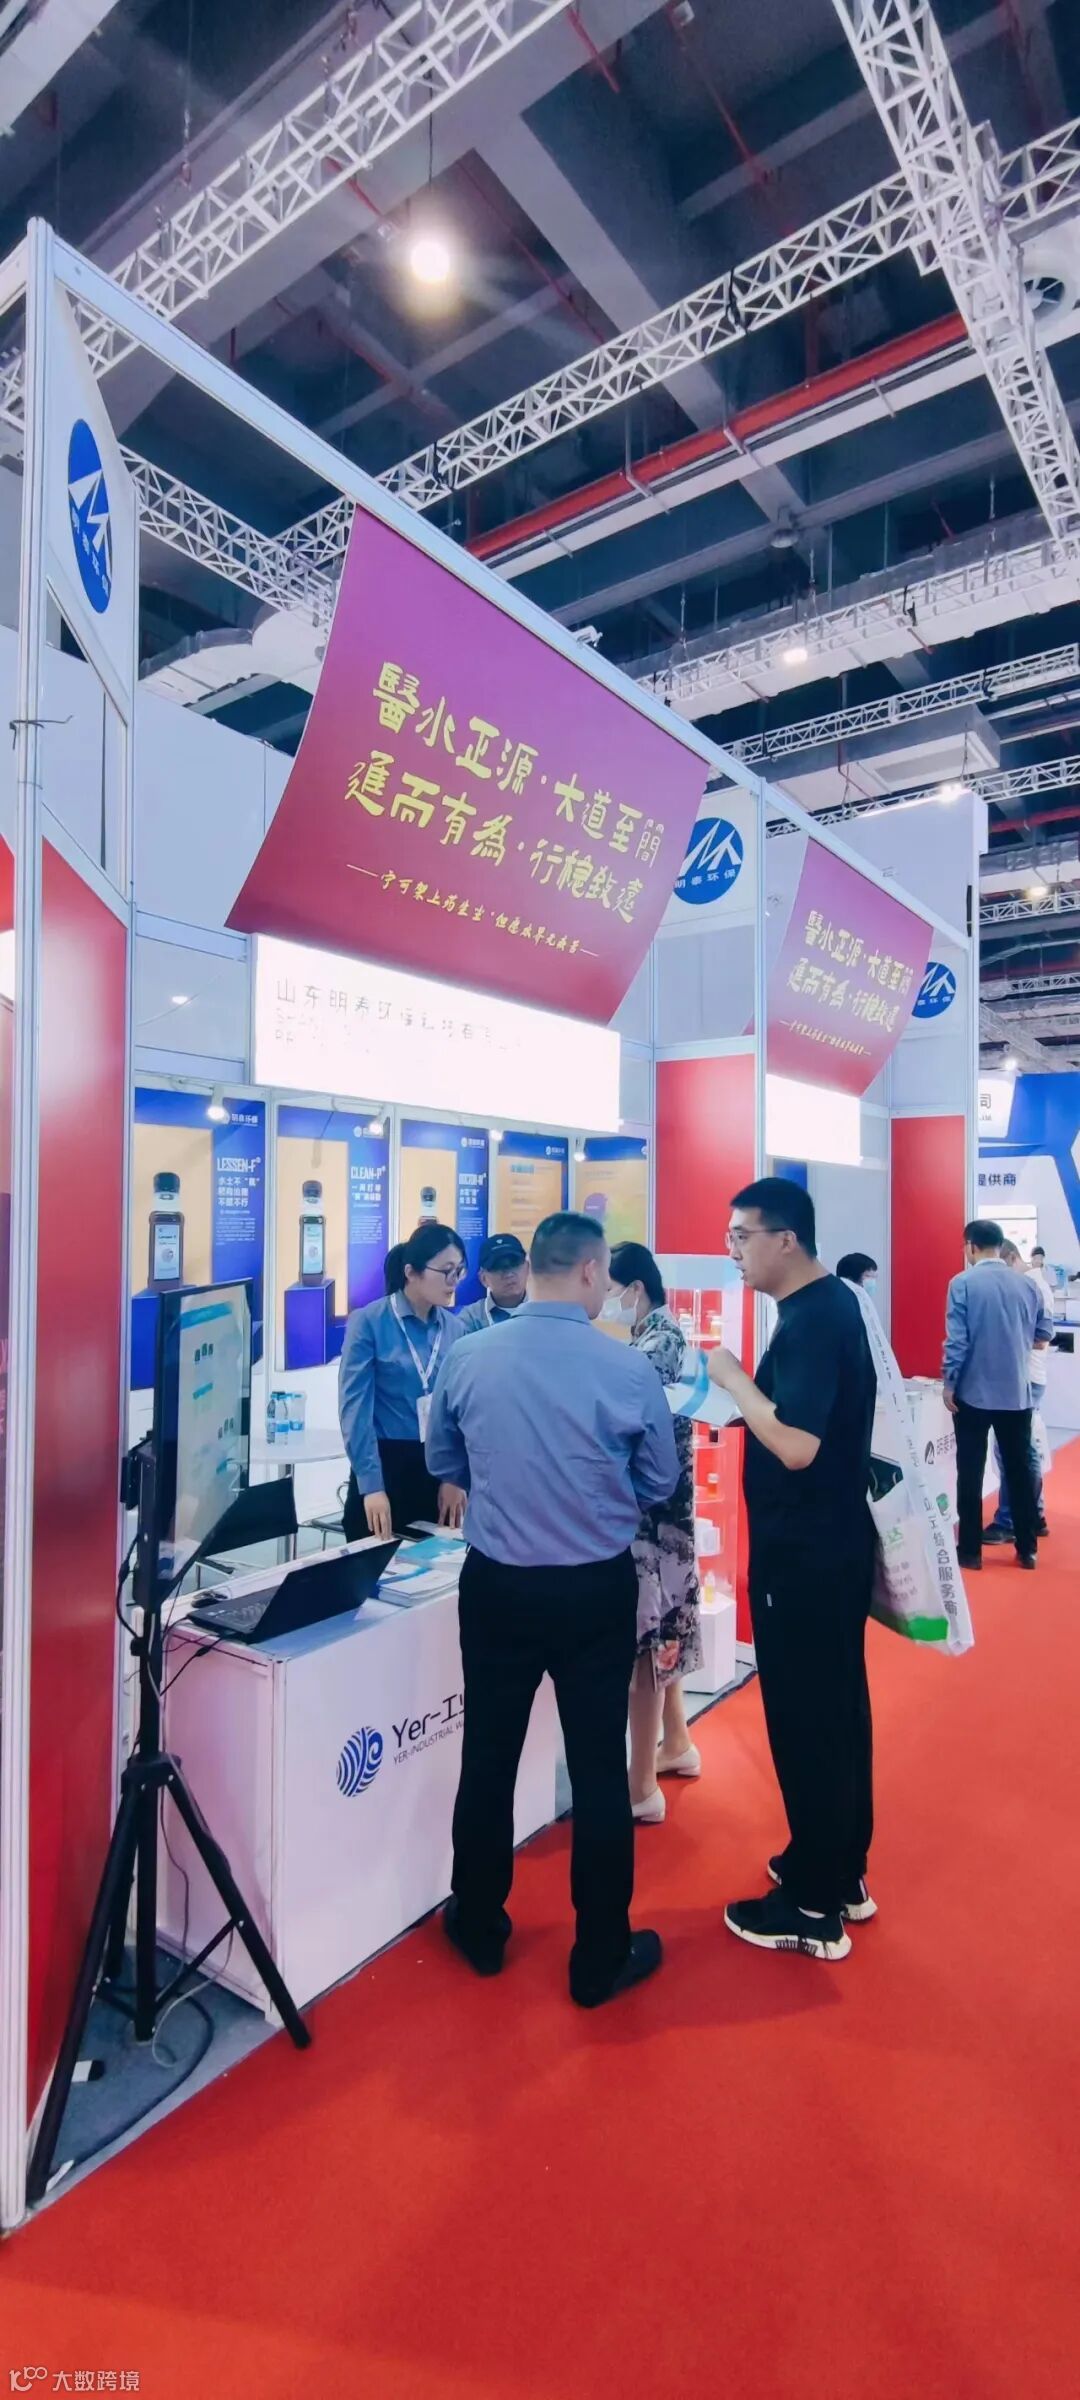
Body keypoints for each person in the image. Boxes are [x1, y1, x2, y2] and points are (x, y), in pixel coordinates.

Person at [425, 1211, 679, 2009]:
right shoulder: (627, 1368)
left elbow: (443, 1459)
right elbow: (659, 1482)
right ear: (591, 1271)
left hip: (497, 1585)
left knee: (488, 1755)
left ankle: (478, 1926)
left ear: (533, 1267)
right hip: (593, 1588)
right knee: (600, 1767)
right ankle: (600, 1955)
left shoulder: (467, 1355)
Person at [706, 1178, 877, 1964]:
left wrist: (733, 1379)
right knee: (836, 1712)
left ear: (786, 1239)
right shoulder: (829, 1306)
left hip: (805, 1556)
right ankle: (837, 1868)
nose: (734, 1252)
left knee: (808, 1720)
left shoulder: (812, 1319)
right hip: (826, 1549)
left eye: (742, 1237)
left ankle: (811, 1905)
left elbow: (797, 1445)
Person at [602, 1240, 703, 1823]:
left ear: (634, 1289)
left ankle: (640, 1786)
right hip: (664, 1519)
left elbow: (630, 1427)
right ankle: (677, 1744)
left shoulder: (657, 1344)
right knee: (662, 1634)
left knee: (646, 1646)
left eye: (611, 1289)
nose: (605, 1300)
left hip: (653, 1522)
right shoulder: (656, 1335)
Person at [338, 1222, 468, 1541]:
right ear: (411, 1272)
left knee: (435, 1566)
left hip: (438, 1466)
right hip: (386, 1464)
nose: (454, 1281)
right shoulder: (369, 1322)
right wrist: (371, 1486)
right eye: (446, 1271)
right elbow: (355, 1411)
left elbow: (460, 1409)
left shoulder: (455, 1329)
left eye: (459, 1271)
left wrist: (455, 1476)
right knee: (376, 1564)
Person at [944, 1219, 1052, 1573]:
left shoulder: (962, 1283)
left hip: (972, 1393)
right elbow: (1043, 1334)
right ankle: (1027, 1549)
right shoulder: (1027, 1284)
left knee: (970, 1473)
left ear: (971, 1246)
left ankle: (970, 1552)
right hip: (1016, 1393)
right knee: (1018, 1471)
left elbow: (957, 1342)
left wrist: (949, 1382)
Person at [983, 1239, 1051, 1547]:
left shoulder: (1030, 1286)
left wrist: (1008, 1339)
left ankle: (1010, 1520)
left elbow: (1041, 1338)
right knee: (1025, 1449)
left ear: (1010, 1257)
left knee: (1014, 1452)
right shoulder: (1032, 1284)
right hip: (1027, 1376)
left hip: (1023, 1377)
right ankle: (1033, 1515)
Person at [455, 1234, 529, 1334]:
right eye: (497, 1267)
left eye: (514, 1263)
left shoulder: (544, 1310)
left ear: (527, 1267)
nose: (509, 1274)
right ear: (483, 1278)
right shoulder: (471, 1318)